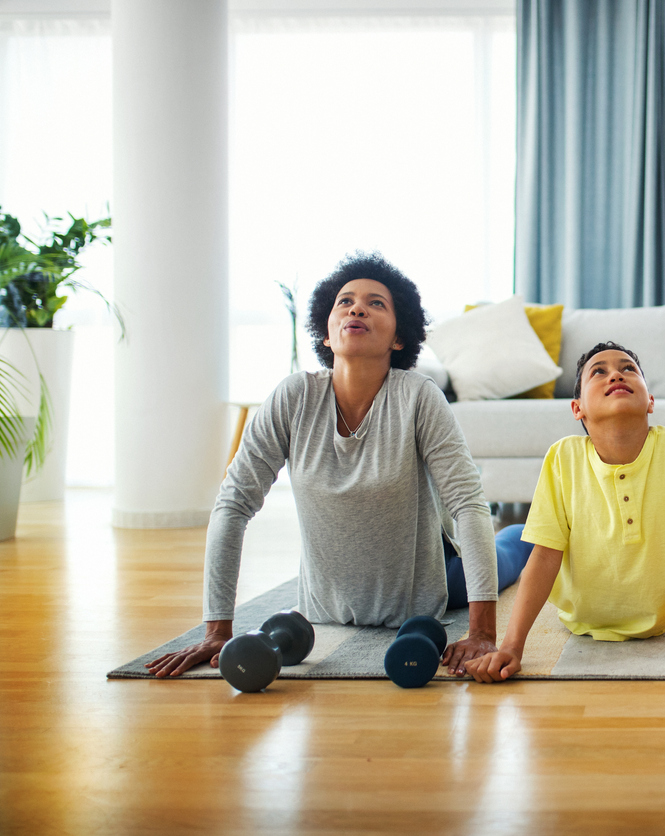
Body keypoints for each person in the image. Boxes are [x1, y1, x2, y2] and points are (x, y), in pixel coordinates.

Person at [146, 252, 530, 679]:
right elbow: (232, 505)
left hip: (434, 582)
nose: (356, 308)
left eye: (376, 303)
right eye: (344, 301)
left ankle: (522, 534)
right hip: (324, 607)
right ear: (326, 334)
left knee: (513, 549)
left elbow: (467, 505)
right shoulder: (293, 398)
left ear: (398, 338)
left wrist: (481, 631)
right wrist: (217, 629)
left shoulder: (418, 397)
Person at [463, 341, 665, 682]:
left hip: (659, 620)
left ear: (650, 401)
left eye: (628, 368)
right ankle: (513, 536)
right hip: (578, 618)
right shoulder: (562, 457)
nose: (615, 374)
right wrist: (512, 647)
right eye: (599, 371)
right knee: (528, 543)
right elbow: (546, 555)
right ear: (577, 408)